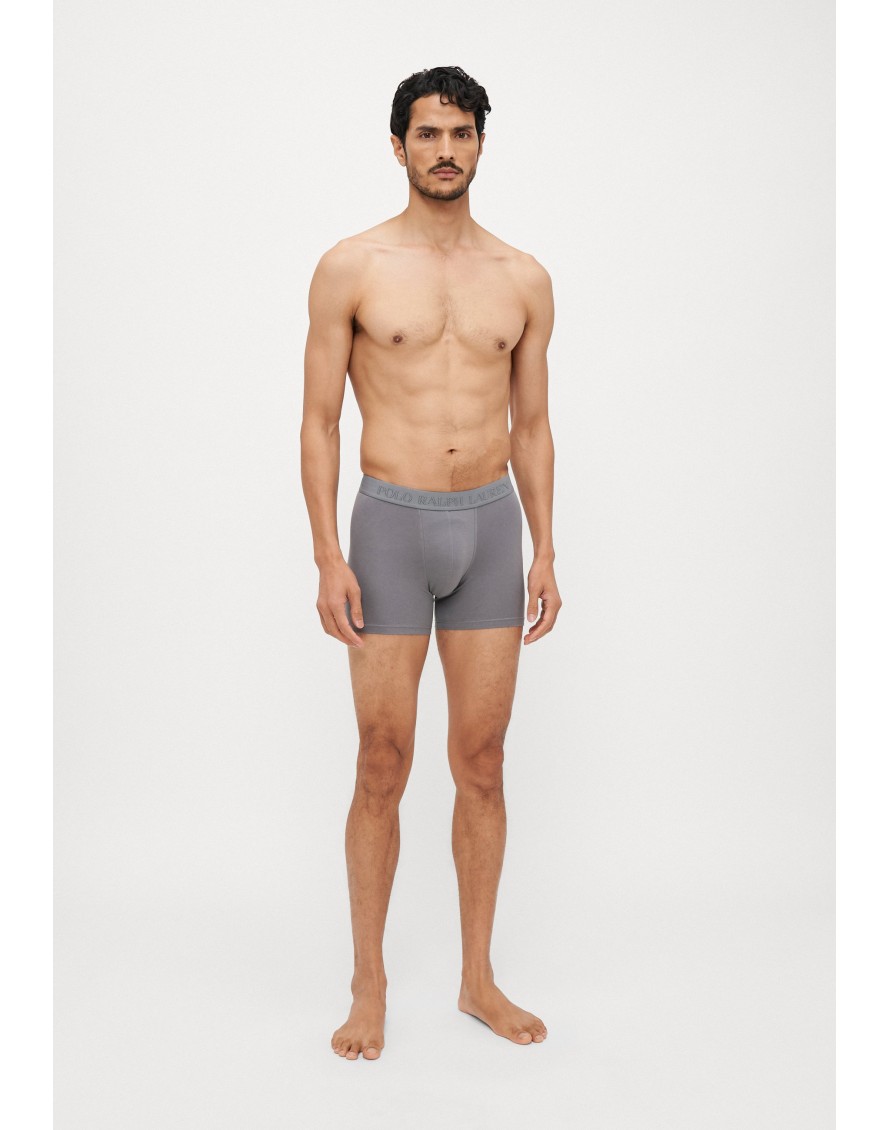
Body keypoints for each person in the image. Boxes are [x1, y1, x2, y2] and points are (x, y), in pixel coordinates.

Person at [300, 65, 561, 1062]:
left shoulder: (522, 277)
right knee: (382, 759)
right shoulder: (351, 266)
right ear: (398, 145)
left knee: (482, 762)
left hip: (490, 525)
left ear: (481, 144)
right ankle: (366, 980)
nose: (444, 149)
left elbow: (531, 424)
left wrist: (545, 547)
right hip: (389, 529)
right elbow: (319, 422)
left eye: (460, 132)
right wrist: (327, 553)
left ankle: (476, 977)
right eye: (426, 133)